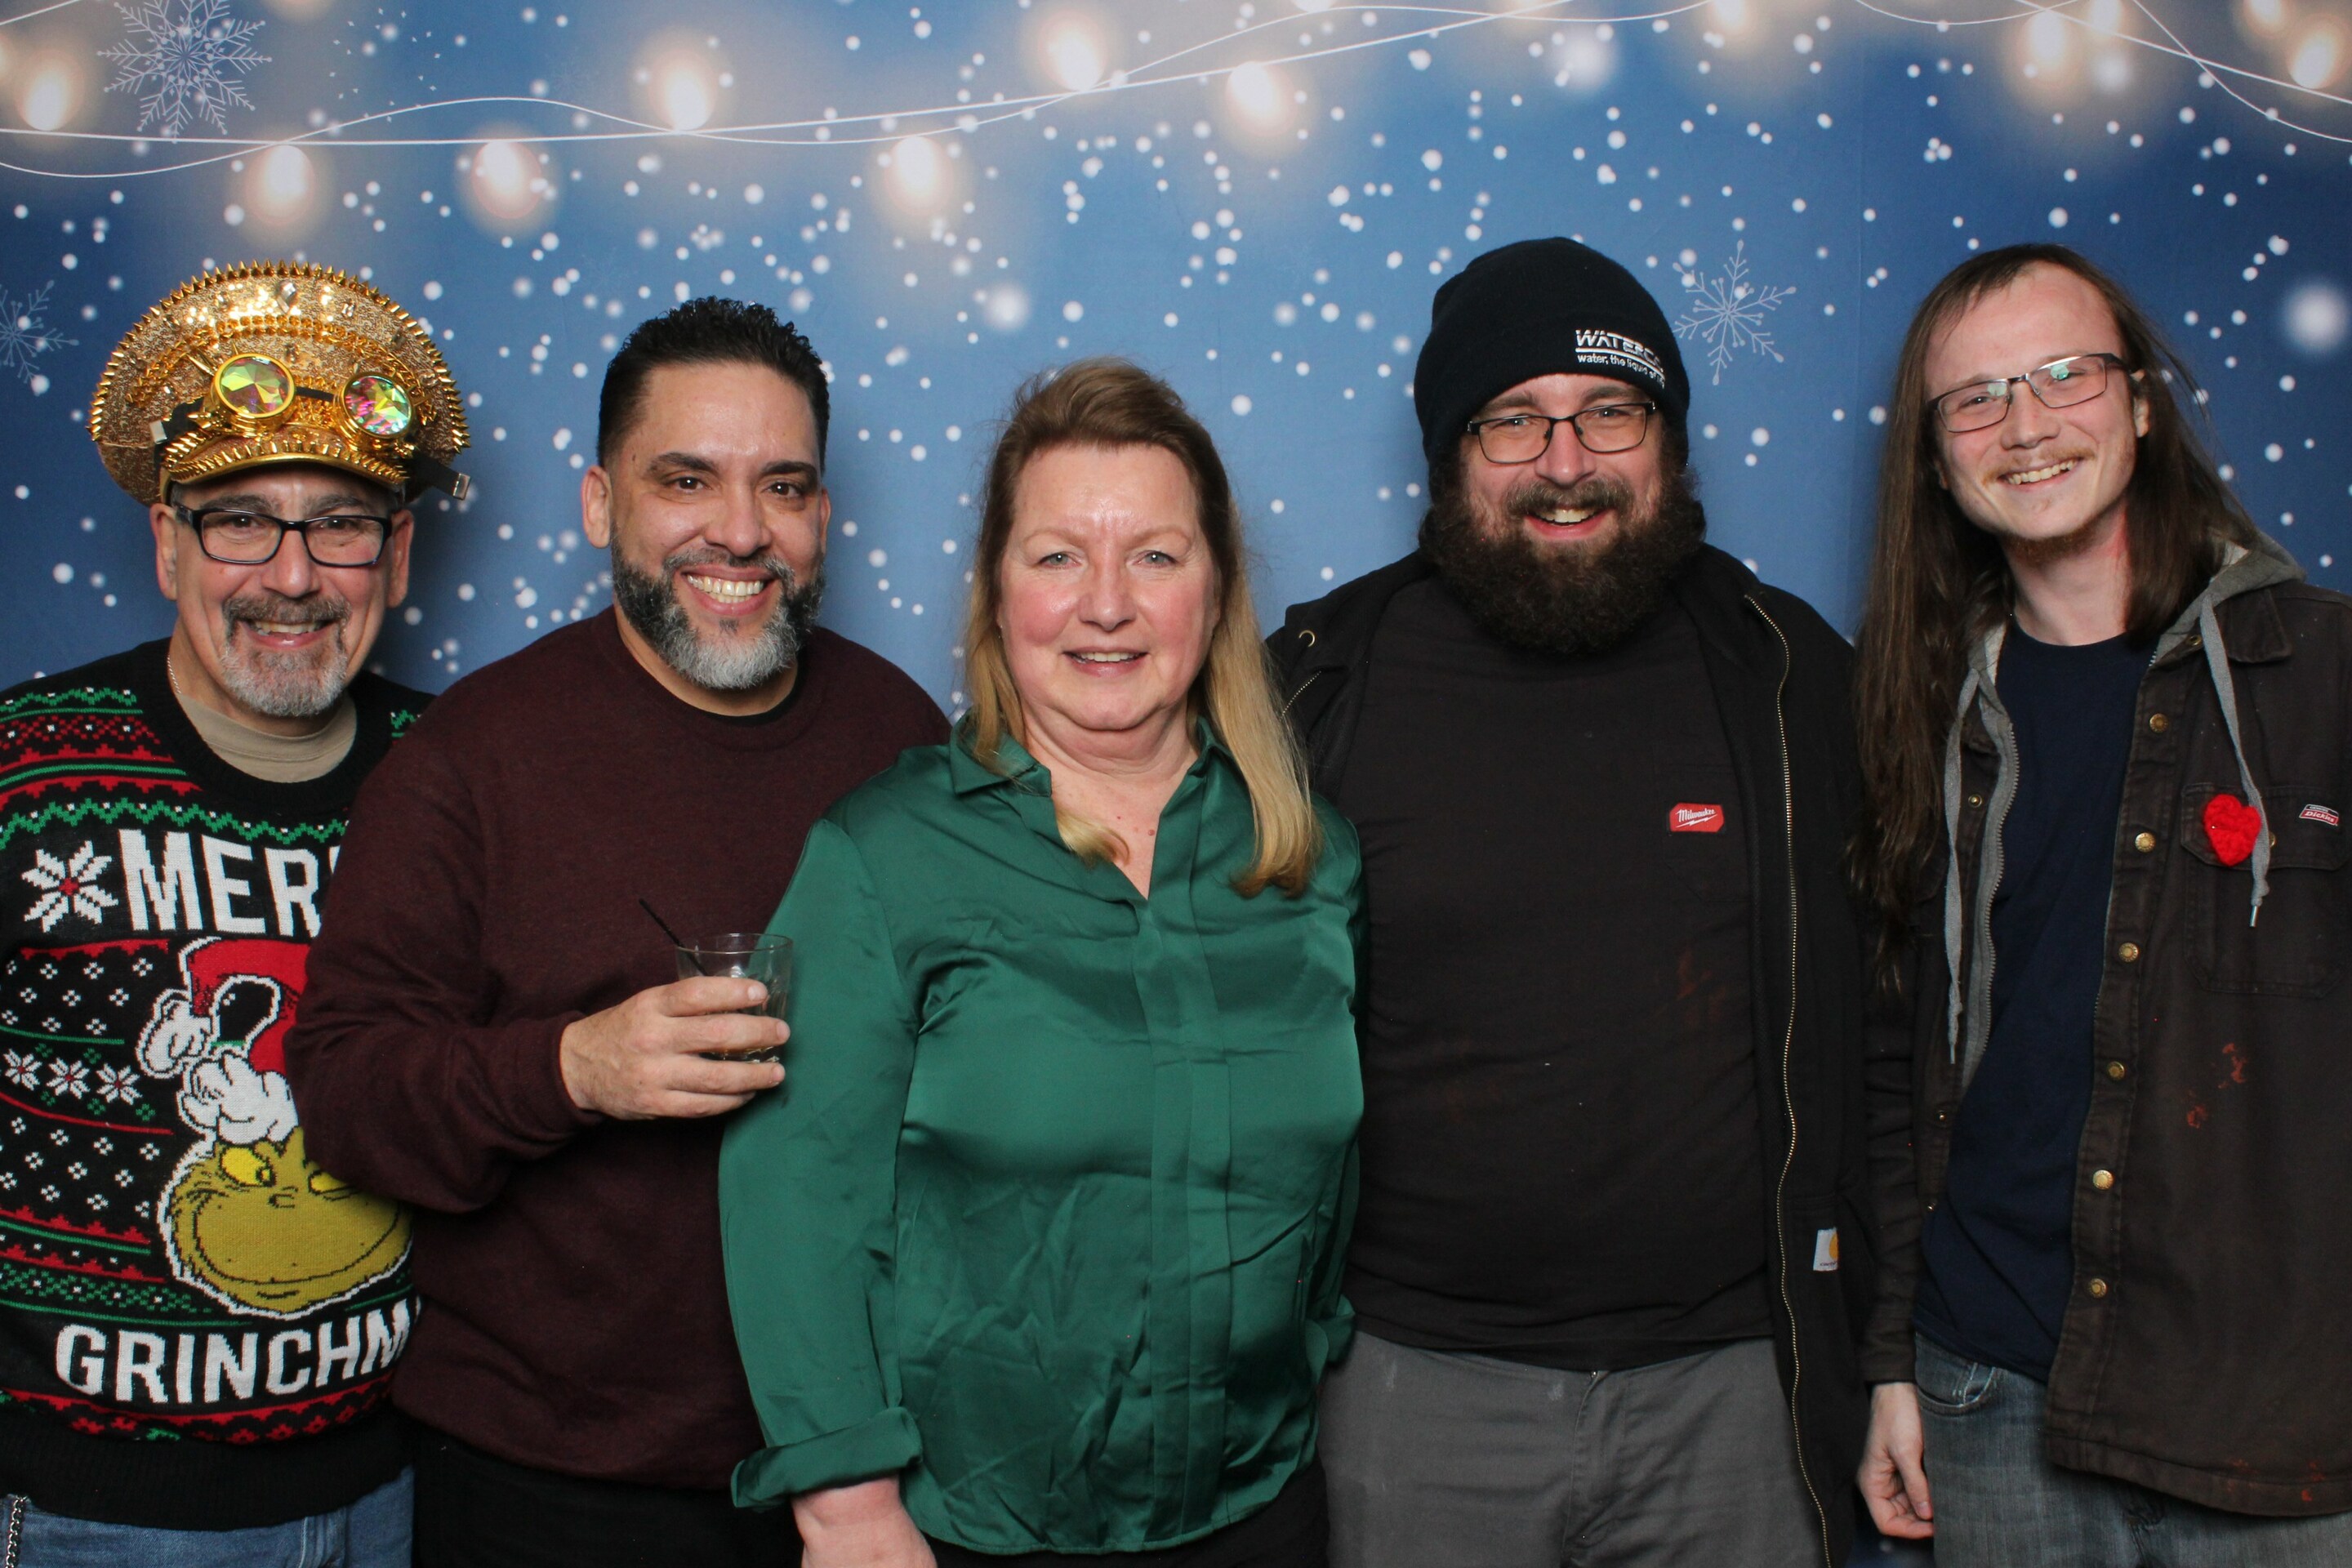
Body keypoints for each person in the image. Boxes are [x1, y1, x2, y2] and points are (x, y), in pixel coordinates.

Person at [282, 298, 947, 1567]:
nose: (741, 531)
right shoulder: (471, 758)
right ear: (599, 505)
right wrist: (573, 1068)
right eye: (685, 480)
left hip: (868, 1465)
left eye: (783, 486)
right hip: (552, 1486)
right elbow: (348, 1093)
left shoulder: (900, 734)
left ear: (823, 514)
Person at [1268, 237, 1882, 1568]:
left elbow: (1895, 1032)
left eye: (1611, 412)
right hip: (1410, 1384)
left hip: (1737, 1388)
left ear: (1668, 443)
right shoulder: (1315, 685)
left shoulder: (1793, 677)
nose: (1565, 462)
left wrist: (1885, 1349)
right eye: (1514, 420)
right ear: (1450, 453)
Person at [720, 359, 1361, 1568]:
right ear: (997, 590)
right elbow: (795, 1202)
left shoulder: (1311, 859)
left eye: (1155, 556)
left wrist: (1306, 1343)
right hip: (970, 1534)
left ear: (1218, 588)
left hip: (1260, 1512)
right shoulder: (881, 854)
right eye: (1059, 556)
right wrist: (848, 1506)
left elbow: (1333, 1187)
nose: (1106, 605)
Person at [1851, 244, 2352, 1564]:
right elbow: (1895, 1067)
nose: (2026, 426)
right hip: (1985, 1390)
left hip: (2276, 1414)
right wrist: (1892, 1359)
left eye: (2065, 374)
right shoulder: (1916, 712)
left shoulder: (2326, 673)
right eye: (1977, 398)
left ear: (2139, 404)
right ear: (1936, 459)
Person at [0, 261, 469, 1562]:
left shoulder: (460, 777)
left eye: (341, 524)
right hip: (98, 1519)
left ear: (397, 554)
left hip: (400, 1496)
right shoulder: (29, 772)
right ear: (167, 543)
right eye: (242, 522)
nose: (293, 576)